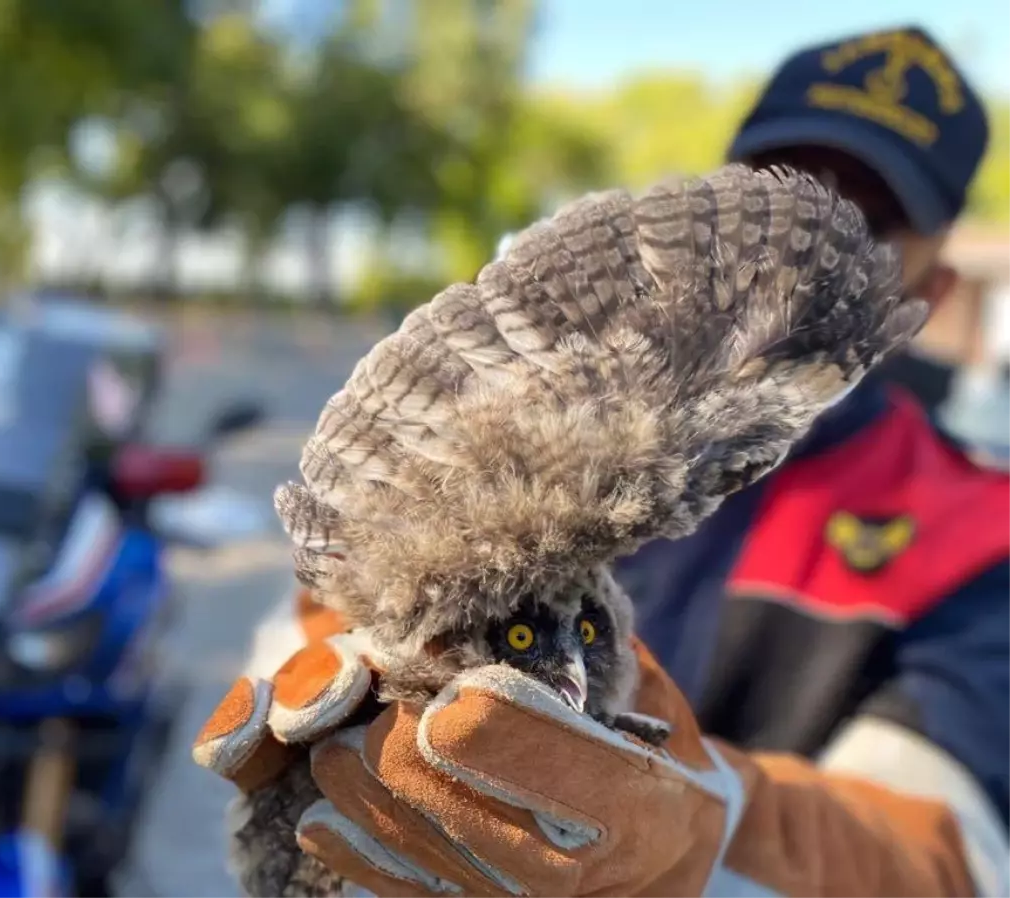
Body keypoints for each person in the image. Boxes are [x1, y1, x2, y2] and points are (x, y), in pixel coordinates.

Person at [195, 25, 1010, 896]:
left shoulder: (979, 530)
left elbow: (946, 850)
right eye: (787, 185)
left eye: (867, 218)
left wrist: (702, 824)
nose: (808, 238)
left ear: (930, 292)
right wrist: (349, 652)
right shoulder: (565, 401)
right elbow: (339, 590)